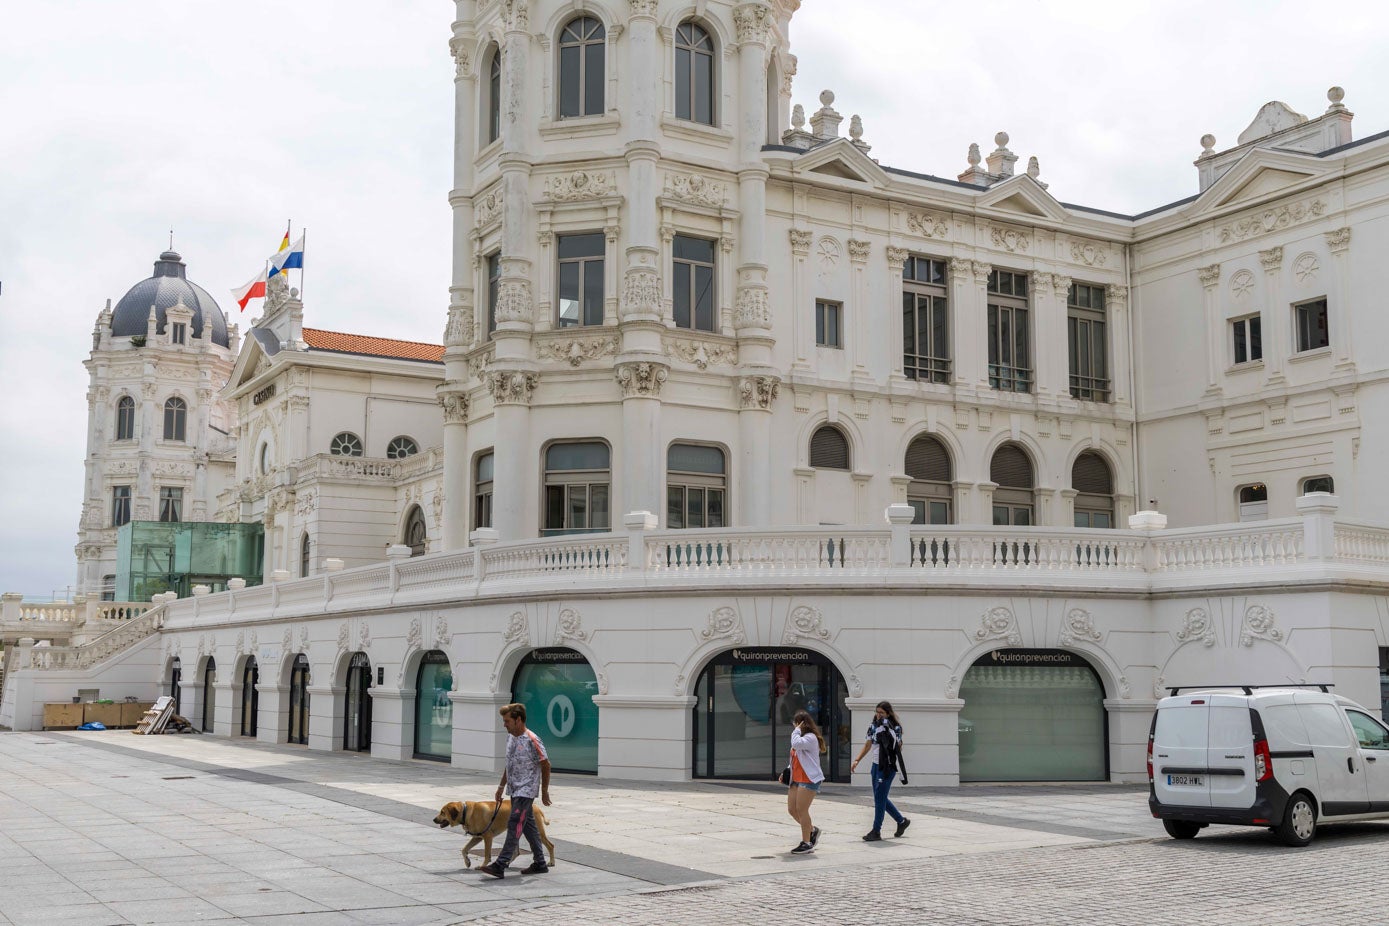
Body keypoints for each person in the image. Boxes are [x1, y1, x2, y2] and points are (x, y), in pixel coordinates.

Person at [479, 702, 551, 878]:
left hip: (526, 790)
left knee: (514, 823)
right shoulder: (511, 737)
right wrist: (501, 786)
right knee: (527, 826)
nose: (504, 724)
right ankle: (540, 863)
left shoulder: (532, 739)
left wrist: (544, 790)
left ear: (518, 720)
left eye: (507, 721)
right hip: (514, 788)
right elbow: (509, 764)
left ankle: (500, 864)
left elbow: (546, 764)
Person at [850, 701, 910, 841]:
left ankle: (876, 831)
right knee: (880, 797)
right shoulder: (873, 726)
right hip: (875, 766)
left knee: (879, 798)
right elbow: (867, 745)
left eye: (881, 712)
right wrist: (857, 760)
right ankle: (901, 821)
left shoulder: (895, 727)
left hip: (887, 767)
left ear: (888, 713)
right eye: (877, 712)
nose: (878, 715)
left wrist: (888, 731)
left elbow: (898, 747)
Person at [784, 709, 827, 854]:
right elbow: (796, 757)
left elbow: (796, 744)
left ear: (801, 724)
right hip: (796, 779)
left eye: (796, 724)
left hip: (809, 779)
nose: (794, 726)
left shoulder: (810, 737)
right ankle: (812, 830)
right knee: (792, 809)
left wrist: (796, 730)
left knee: (802, 810)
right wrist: (787, 770)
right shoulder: (802, 738)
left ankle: (807, 842)